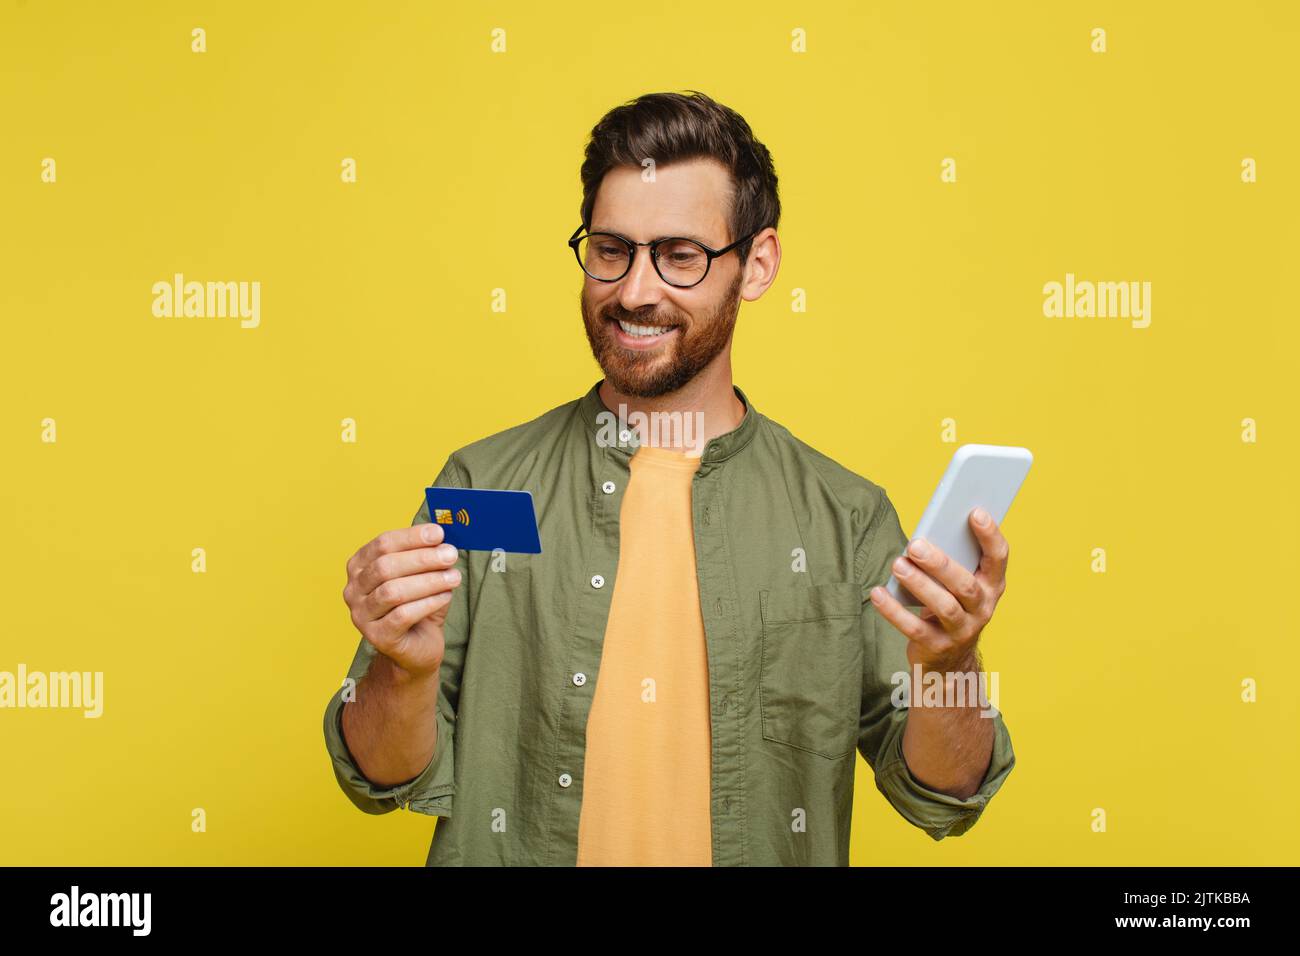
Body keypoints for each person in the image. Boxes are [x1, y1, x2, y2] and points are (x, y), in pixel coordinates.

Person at [324, 90, 1015, 866]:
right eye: (612, 249)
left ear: (757, 263)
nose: (635, 291)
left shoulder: (844, 519)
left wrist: (951, 665)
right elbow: (379, 777)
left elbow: (943, 797)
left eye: (680, 255)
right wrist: (398, 667)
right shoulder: (483, 488)